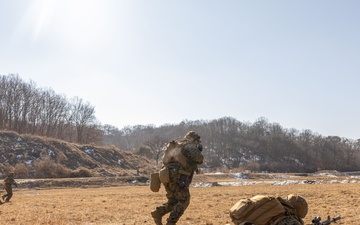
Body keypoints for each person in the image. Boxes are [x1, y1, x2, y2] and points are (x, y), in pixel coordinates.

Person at [151, 131, 204, 225]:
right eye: (198, 141)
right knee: (184, 200)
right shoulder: (189, 145)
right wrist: (199, 151)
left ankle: (158, 213)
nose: (198, 143)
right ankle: (171, 223)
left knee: (174, 200)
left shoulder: (178, 146)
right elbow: (199, 159)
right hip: (177, 176)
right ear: (194, 139)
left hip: (167, 175)